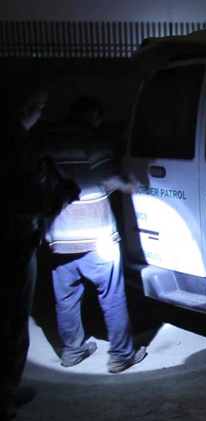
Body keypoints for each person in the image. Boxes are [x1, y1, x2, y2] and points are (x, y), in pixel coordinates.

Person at [35, 96, 147, 374]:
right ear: (94, 115)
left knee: (66, 296)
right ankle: (121, 355)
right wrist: (132, 185)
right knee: (111, 294)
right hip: (97, 235)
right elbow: (109, 177)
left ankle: (73, 351)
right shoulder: (93, 139)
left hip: (59, 235)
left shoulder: (45, 139)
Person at [0, 75, 80, 421]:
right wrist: (61, 196)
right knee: (10, 329)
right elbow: (24, 201)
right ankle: (4, 419)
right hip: (11, 248)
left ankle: (8, 391)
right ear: (25, 106)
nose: (43, 114)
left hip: (14, 245)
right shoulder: (12, 141)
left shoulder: (16, 139)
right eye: (41, 106)